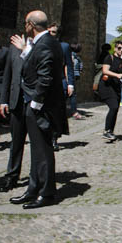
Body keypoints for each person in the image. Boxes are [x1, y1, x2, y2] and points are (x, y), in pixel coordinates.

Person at [8, 11, 65, 209]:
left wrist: (36, 102)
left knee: (42, 150)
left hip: (41, 107)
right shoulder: (45, 42)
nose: (24, 27)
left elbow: (45, 77)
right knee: (36, 149)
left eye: (25, 23)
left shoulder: (46, 44)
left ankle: (46, 193)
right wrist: (25, 50)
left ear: (31, 25)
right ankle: (33, 189)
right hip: (35, 103)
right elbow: (34, 65)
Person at [0, 33, 28, 192]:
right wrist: (4, 100)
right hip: (16, 103)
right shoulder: (13, 48)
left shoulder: (41, 46)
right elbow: (7, 75)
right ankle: (11, 176)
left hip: (34, 104)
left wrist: (26, 50)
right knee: (16, 143)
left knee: (38, 145)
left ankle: (37, 178)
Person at [46, 23, 73, 151]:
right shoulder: (42, 45)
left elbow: (69, 65)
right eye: (49, 31)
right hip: (45, 82)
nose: (51, 34)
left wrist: (70, 83)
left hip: (60, 81)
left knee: (57, 111)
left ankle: (54, 138)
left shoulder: (64, 47)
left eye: (53, 32)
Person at [98, 41, 122, 142]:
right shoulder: (109, 58)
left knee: (115, 109)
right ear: (115, 49)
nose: (121, 50)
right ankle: (106, 131)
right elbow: (105, 71)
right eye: (119, 48)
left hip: (116, 87)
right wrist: (117, 75)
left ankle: (110, 131)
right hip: (106, 86)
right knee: (113, 106)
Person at [70, 42, 83, 119]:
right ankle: (74, 111)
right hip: (75, 75)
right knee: (73, 94)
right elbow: (81, 66)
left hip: (70, 75)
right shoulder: (77, 57)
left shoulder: (70, 55)